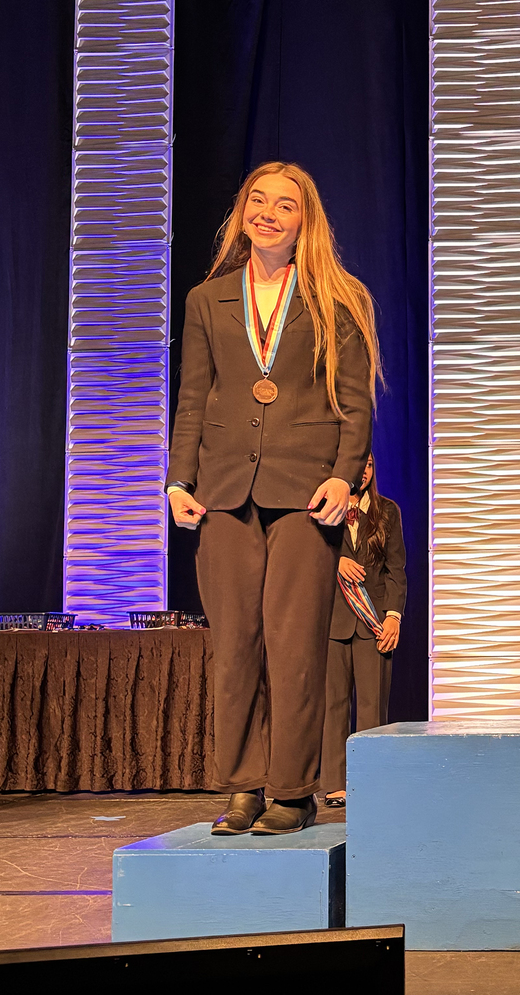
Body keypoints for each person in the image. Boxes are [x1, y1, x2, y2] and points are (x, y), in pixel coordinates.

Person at [166, 161, 380, 835]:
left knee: (293, 646)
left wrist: (345, 476)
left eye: (285, 205)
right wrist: (178, 478)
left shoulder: (337, 297)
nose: (268, 213)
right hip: (225, 489)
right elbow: (194, 396)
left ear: (304, 221)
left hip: (305, 491)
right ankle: (243, 786)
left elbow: (354, 403)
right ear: (242, 214)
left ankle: (292, 789)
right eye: (257, 201)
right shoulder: (208, 300)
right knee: (233, 645)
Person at [320, 452, 407, 806]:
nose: (364, 471)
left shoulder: (388, 511)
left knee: (372, 706)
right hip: (334, 620)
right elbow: (305, 561)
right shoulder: (324, 508)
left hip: (373, 621)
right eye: (360, 464)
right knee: (334, 705)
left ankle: (371, 778)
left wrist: (393, 616)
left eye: (370, 464)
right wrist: (335, 562)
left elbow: (396, 570)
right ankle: (335, 784)